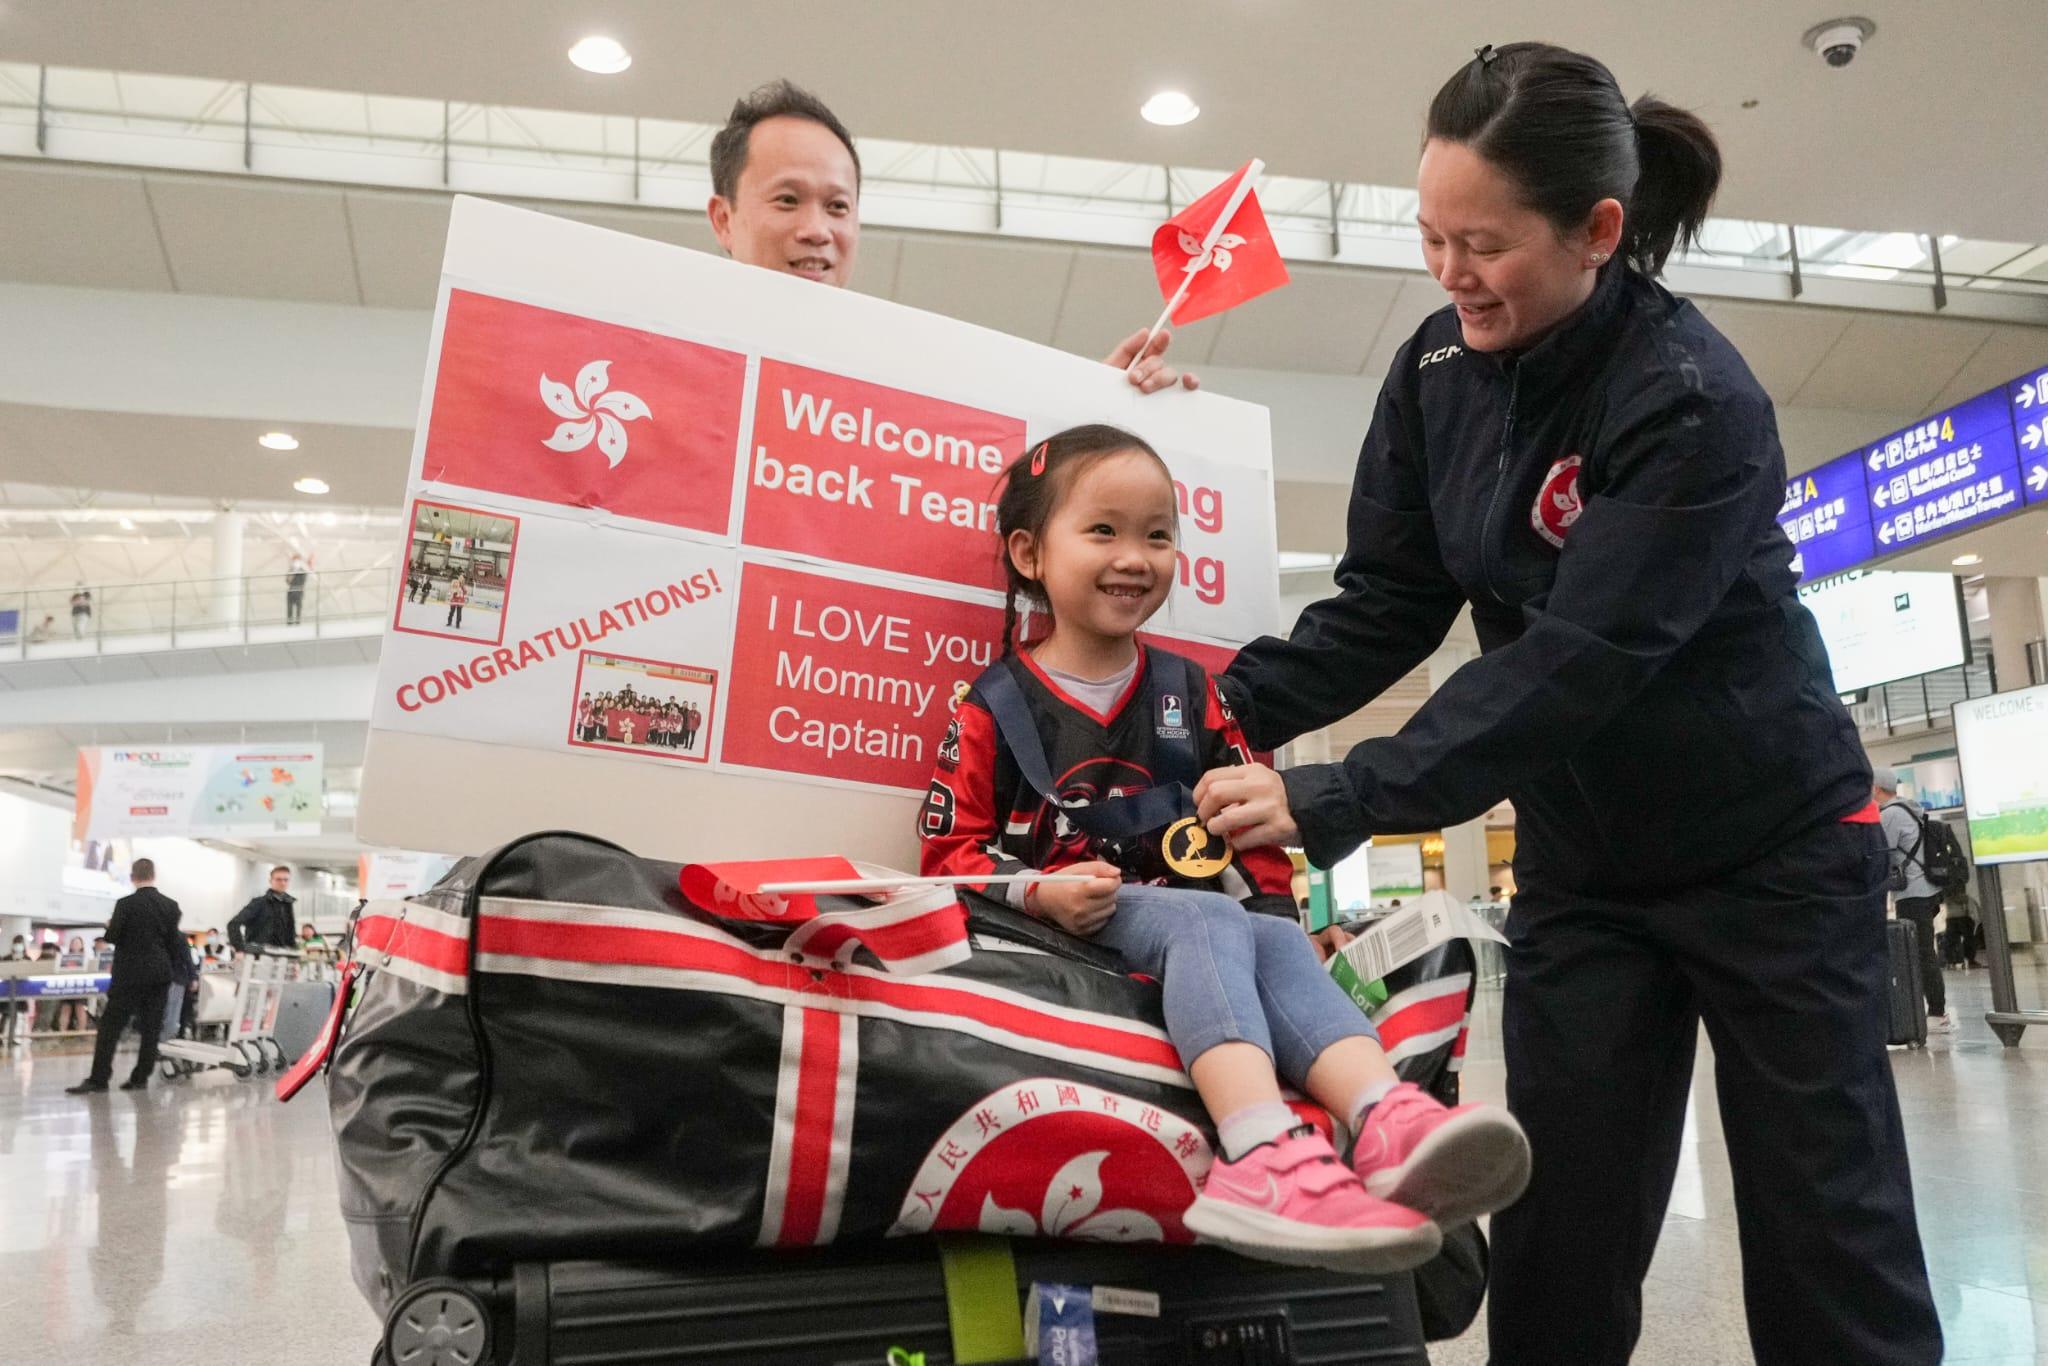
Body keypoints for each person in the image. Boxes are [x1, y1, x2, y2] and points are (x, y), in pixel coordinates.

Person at [1191, 42, 1940, 1365]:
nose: (1450, 271)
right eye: (1429, 236)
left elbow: (1580, 664)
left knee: (1827, 1230)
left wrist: (1341, 795)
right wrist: (1202, 705)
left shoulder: (1691, 399)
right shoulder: (1436, 371)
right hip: (1591, 877)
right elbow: (1386, 597)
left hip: (1775, 857)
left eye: (1482, 243)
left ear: (1600, 229)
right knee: (1561, 1233)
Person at [918, 424, 1530, 1273]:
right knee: (1207, 921)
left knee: (1268, 933)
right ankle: (1259, 1155)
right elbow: (947, 857)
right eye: (1103, 531)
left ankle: (1388, 1117)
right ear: (1028, 552)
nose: (1135, 557)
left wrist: (1287, 916)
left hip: (1189, 927)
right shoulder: (992, 707)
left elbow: (1254, 837)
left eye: (1158, 535)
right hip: (1055, 930)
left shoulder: (1194, 694)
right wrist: (1042, 895)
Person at [707, 79, 1195, 394]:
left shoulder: (907, 381)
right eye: (787, 200)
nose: (817, 231)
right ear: (724, 219)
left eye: (838, 207)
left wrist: (1102, 402)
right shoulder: (649, 359)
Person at [68, 859, 187, 1093]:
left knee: (110, 1027)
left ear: (133, 877)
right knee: (151, 1028)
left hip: (129, 975)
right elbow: (174, 942)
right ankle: (140, 1078)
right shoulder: (171, 906)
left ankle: (99, 1078)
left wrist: (109, 925)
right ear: (154, 875)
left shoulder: (125, 904)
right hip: (159, 974)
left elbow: (112, 936)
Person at [1877, 768, 1953, 1033]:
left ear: (1876, 789)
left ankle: (1937, 1012)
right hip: (1927, 889)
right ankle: (1933, 1010)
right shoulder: (1910, 809)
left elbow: (1880, 851)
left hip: (1913, 893)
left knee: (1920, 953)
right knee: (1922, 952)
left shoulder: (1891, 814)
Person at [229, 865, 299, 952]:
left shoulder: (288, 904)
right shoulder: (259, 903)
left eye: (286, 880)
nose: (283, 883)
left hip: (282, 956)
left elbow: (290, 934)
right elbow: (233, 924)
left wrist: (294, 952)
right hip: (260, 955)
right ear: (270, 881)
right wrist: (240, 948)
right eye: (278, 879)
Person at [285, 553, 310, 625]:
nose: (295, 562)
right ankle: (289, 624)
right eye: (294, 560)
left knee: (298, 609)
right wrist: (292, 573)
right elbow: (287, 581)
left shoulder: (302, 571)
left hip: (299, 592)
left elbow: (303, 581)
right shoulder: (291, 570)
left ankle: (297, 623)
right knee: (289, 609)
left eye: (296, 560)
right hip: (290, 592)